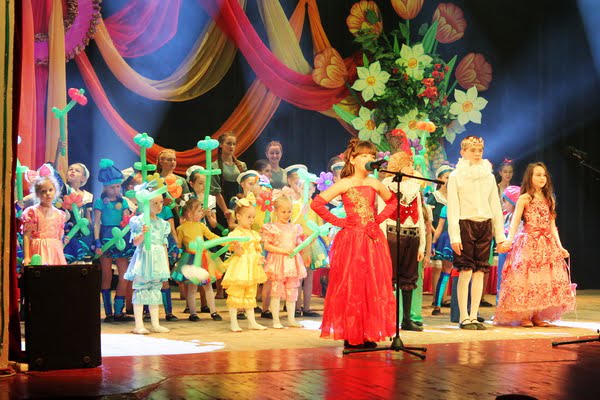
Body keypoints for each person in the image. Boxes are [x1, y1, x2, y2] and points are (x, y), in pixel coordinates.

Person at [310, 139, 398, 349]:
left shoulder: (374, 183)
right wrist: (340, 222)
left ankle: (366, 333)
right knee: (352, 285)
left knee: (371, 285)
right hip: (351, 241)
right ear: (352, 159)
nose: (369, 159)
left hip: (372, 239)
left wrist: (378, 219)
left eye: (372, 156)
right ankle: (351, 333)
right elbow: (317, 204)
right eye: (364, 155)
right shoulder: (345, 183)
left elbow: (393, 202)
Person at [494, 163, 575, 326]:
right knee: (527, 280)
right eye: (538, 175)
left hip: (546, 244)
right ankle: (525, 316)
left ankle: (537, 315)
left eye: (544, 175)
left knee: (542, 279)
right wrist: (509, 240)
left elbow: (552, 226)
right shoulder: (524, 198)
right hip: (529, 243)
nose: (542, 178)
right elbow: (514, 223)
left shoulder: (549, 199)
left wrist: (560, 247)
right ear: (529, 177)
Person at [447, 136, 506, 330]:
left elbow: (495, 206)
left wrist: (500, 236)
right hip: (465, 224)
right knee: (466, 271)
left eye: (480, 150)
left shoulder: (488, 175)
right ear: (463, 152)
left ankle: (474, 315)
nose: (477, 153)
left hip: (484, 225)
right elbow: (453, 208)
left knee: (480, 271)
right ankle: (463, 317)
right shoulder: (456, 176)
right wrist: (455, 236)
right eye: (472, 150)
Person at [379, 151, 426, 332]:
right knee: (389, 278)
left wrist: (421, 245)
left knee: (409, 277)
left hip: (412, 235)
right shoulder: (387, 185)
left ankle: (406, 319)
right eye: (408, 165)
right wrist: (382, 241)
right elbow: (382, 215)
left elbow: (420, 216)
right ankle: (388, 318)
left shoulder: (414, 187)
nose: (412, 168)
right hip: (392, 235)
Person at [124, 194, 172, 334]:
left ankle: (155, 324)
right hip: (144, 259)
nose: (159, 205)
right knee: (141, 288)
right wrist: (143, 233)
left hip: (157, 260)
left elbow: (164, 245)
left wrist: (166, 264)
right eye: (155, 203)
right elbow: (135, 242)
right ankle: (139, 325)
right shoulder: (139, 221)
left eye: (161, 202)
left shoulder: (163, 224)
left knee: (155, 289)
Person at [93, 159, 134, 323]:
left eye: (118, 186)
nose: (116, 190)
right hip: (106, 238)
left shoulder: (123, 202)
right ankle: (108, 313)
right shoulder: (99, 202)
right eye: (112, 187)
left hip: (120, 238)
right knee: (106, 276)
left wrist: (130, 219)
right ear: (105, 187)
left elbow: (126, 220)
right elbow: (97, 223)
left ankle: (119, 311)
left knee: (124, 276)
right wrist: (97, 241)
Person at [171, 198, 225, 322]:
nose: (202, 213)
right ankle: (193, 313)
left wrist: (224, 241)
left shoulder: (201, 225)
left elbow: (211, 236)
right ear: (190, 214)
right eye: (199, 211)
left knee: (207, 286)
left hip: (203, 259)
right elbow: (179, 244)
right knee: (192, 287)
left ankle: (213, 311)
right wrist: (176, 254)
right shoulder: (181, 228)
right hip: (190, 259)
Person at [221, 195, 268, 332]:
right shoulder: (236, 233)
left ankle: (252, 322)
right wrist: (237, 247)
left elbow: (256, 249)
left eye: (253, 217)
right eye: (249, 217)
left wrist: (260, 257)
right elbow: (237, 252)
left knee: (250, 293)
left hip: (252, 267)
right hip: (241, 267)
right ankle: (234, 323)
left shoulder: (253, 233)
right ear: (238, 216)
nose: (251, 220)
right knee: (236, 293)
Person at [260, 195, 307, 328]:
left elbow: (298, 242)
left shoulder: (294, 228)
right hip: (278, 262)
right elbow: (267, 246)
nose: (287, 215)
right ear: (276, 211)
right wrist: (281, 251)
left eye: (289, 211)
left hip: (291, 262)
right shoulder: (272, 227)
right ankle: (276, 320)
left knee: (292, 291)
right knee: (276, 291)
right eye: (283, 212)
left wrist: (299, 246)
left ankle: (291, 319)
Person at [21, 164, 68, 266]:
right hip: (38, 251)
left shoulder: (60, 214)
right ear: (37, 194)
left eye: (50, 190)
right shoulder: (32, 212)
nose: (48, 194)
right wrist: (26, 256)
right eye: (43, 191)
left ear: (55, 191)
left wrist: (63, 241)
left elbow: (58, 237)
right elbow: (26, 235)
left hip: (55, 252)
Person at [427, 164, 454, 315]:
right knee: (443, 269)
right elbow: (434, 224)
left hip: (459, 238)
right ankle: (437, 303)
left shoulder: (460, 203)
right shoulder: (439, 201)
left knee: (459, 270)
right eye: (447, 178)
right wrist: (433, 242)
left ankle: (457, 303)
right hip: (445, 239)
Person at [210, 131, 247, 230]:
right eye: (229, 143)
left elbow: (246, 188)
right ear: (221, 145)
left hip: (240, 204)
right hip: (223, 206)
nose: (232, 146)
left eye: (234, 144)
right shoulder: (214, 166)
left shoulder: (242, 165)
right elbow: (216, 192)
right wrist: (226, 211)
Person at [63, 163, 94, 264]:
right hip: (67, 232)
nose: (73, 171)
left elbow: (88, 217)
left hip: (82, 233)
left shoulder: (87, 196)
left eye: (77, 171)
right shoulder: (64, 191)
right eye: (70, 169)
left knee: (81, 262)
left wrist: (90, 233)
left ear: (83, 178)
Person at [496, 185, 521, 302]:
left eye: (505, 202)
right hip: (504, 252)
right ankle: (501, 303)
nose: (504, 205)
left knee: (514, 277)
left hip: (516, 252)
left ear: (513, 202)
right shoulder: (507, 216)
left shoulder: (520, 219)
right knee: (502, 276)